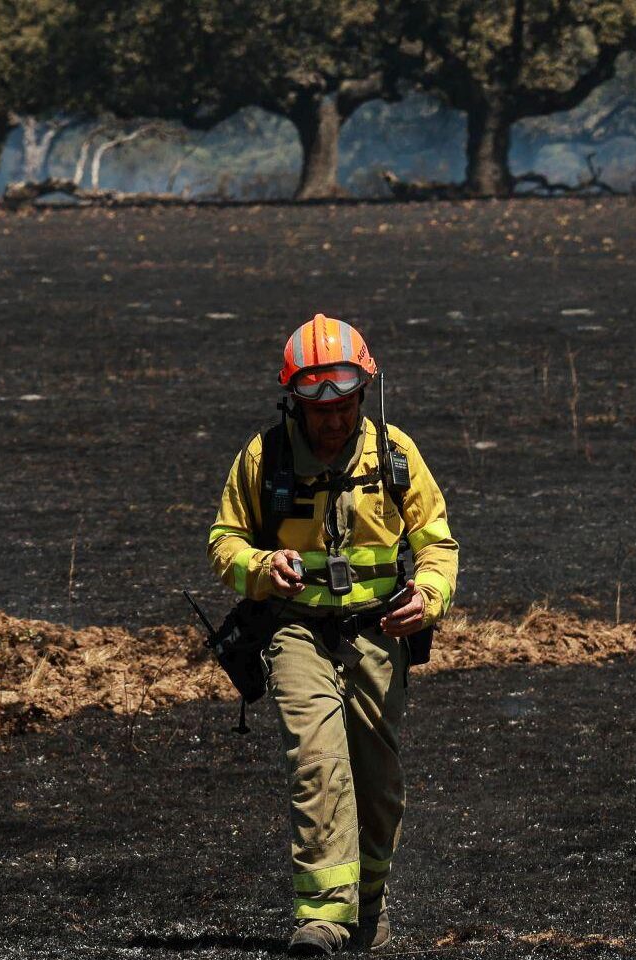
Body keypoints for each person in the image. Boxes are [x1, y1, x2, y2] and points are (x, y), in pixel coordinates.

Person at [206, 314, 459, 955]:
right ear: (295, 401)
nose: (332, 422)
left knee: (376, 781)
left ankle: (369, 910)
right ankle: (321, 917)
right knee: (315, 759)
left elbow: (437, 544)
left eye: (343, 407)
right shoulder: (262, 459)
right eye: (318, 409)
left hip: (379, 635)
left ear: (361, 397)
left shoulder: (396, 456)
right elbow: (222, 542)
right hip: (294, 633)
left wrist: (427, 598)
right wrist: (262, 567)